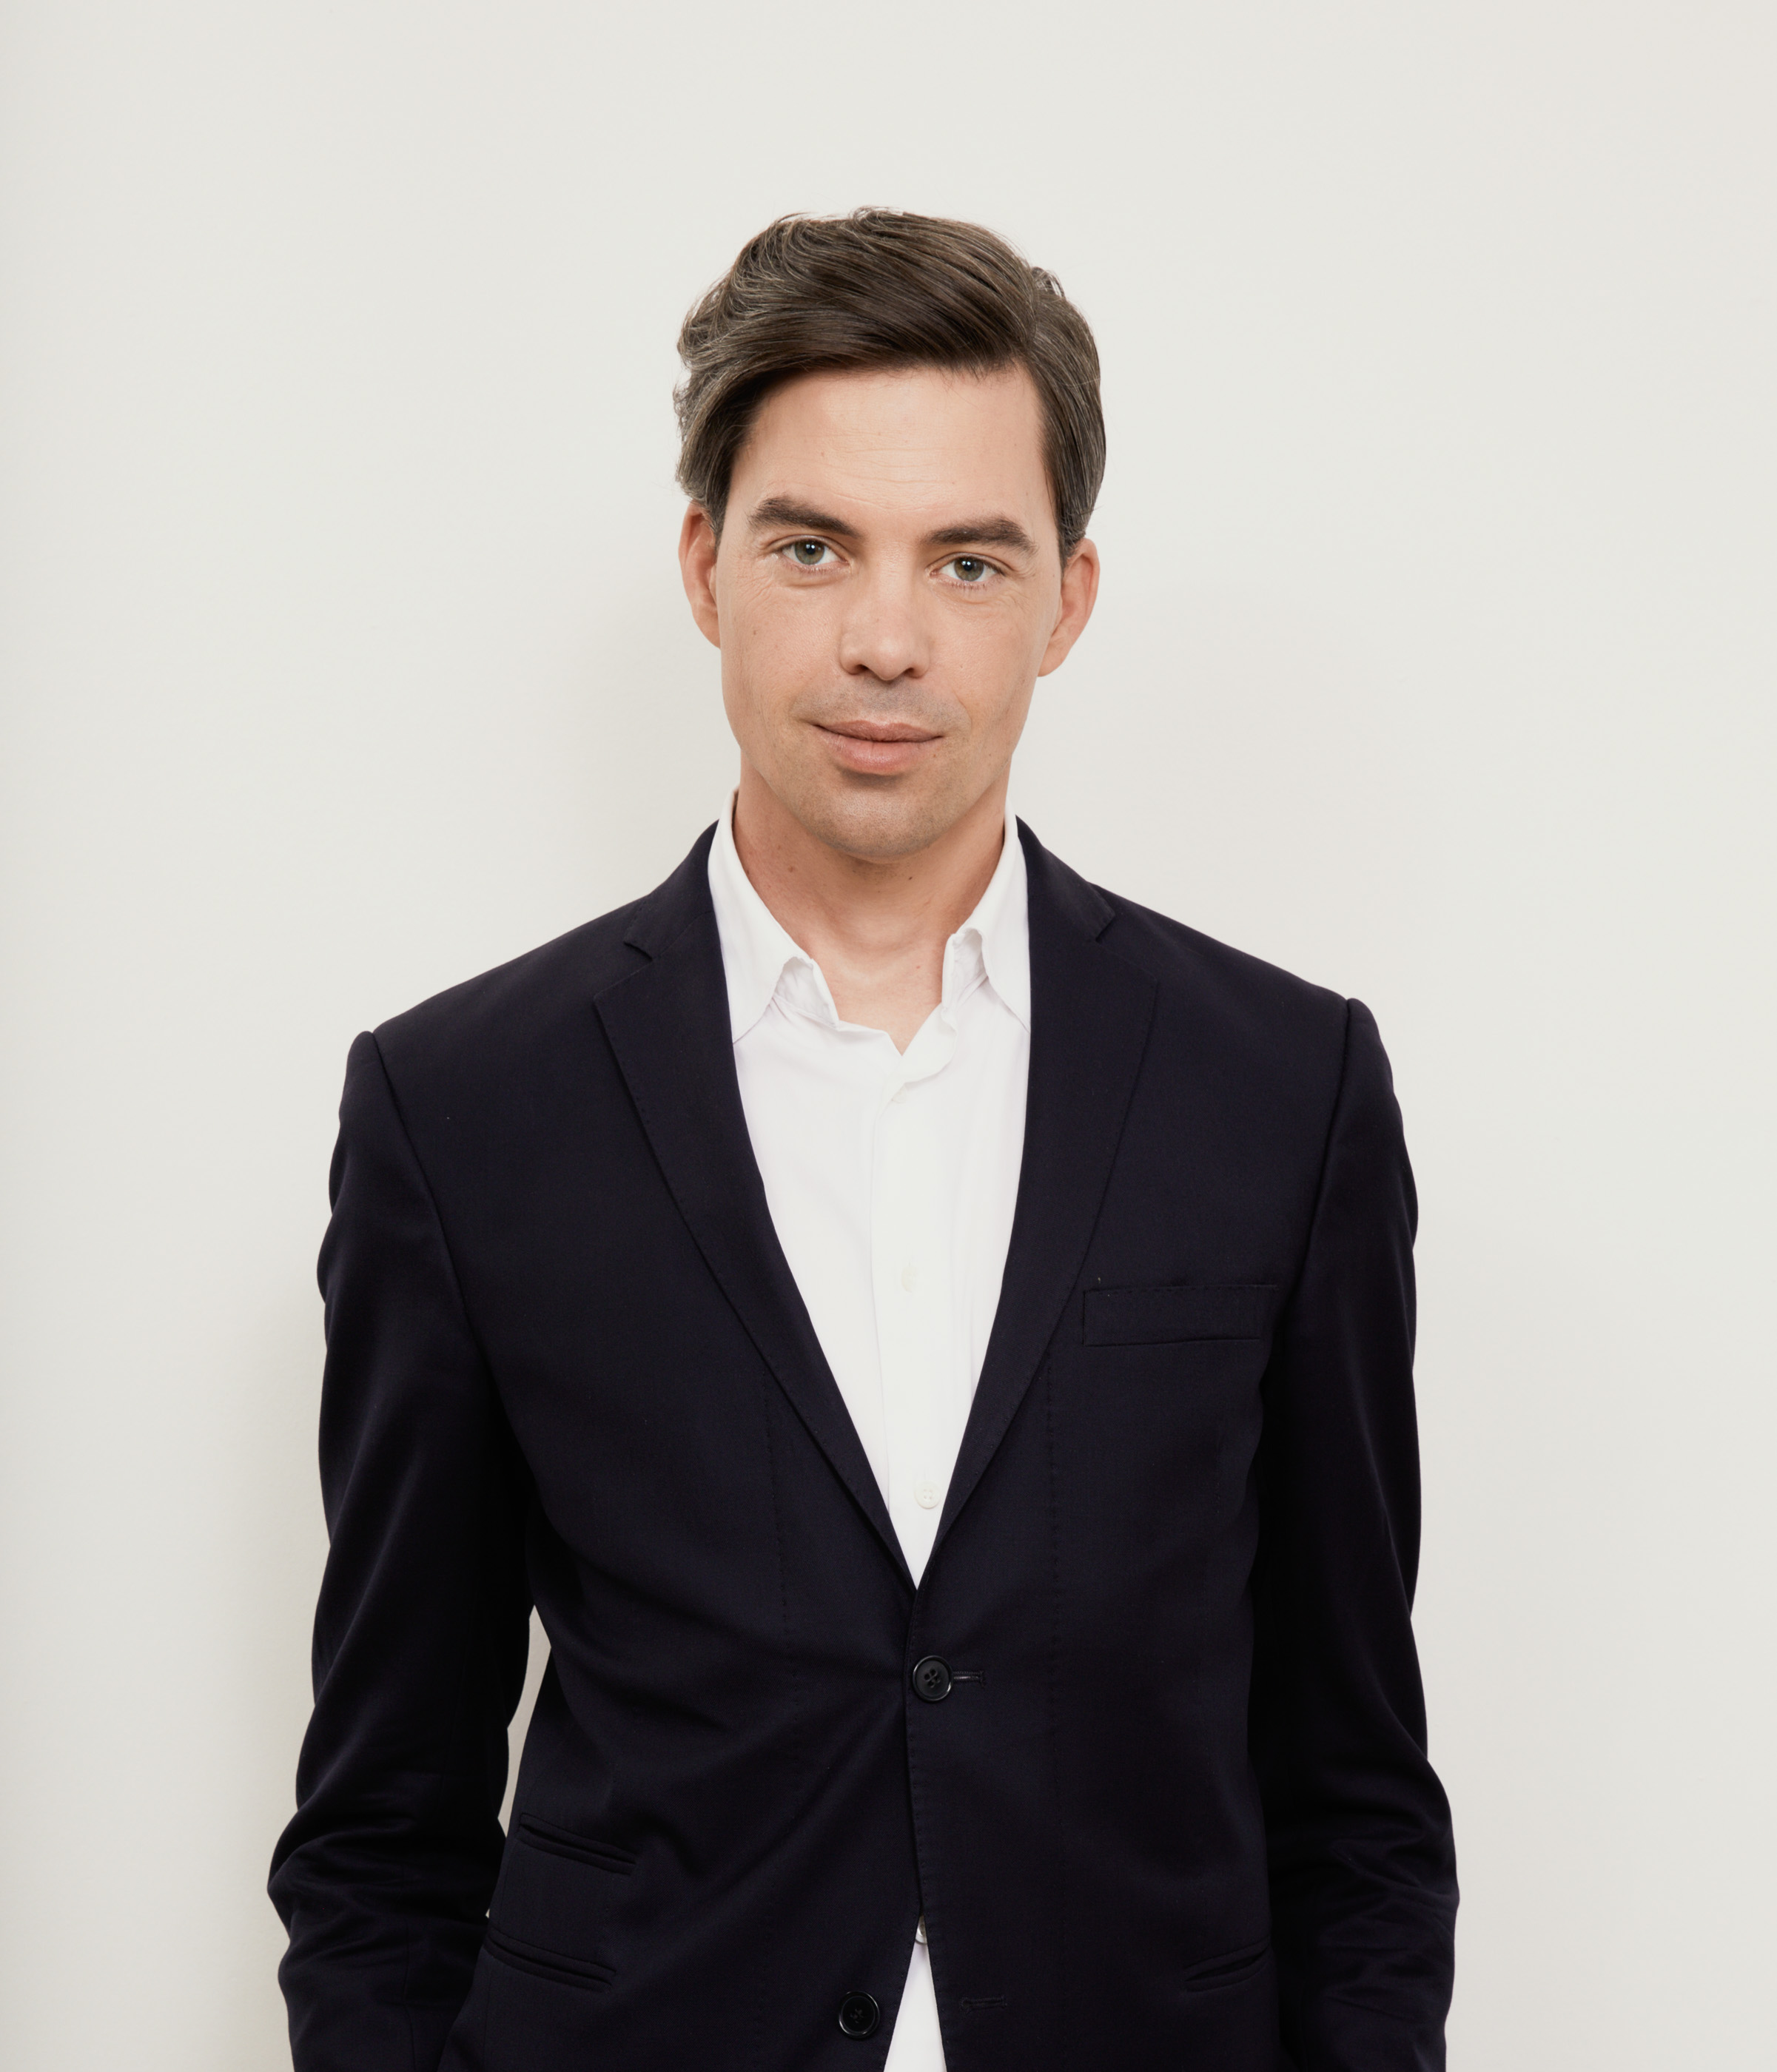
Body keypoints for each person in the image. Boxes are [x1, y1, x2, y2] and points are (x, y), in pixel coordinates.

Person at [269, 210, 1457, 2071]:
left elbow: (1355, 1798)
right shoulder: (462, 1109)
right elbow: (381, 1822)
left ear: (1066, 600)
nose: (884, 640)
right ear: (705, 567)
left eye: (968, 561)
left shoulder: (1281, 1090)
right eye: (811, 547)